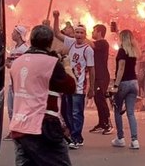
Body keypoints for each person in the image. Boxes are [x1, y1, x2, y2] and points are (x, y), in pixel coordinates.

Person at [9, 25, 76, 166]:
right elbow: (71, 87)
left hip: (20, 126)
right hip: (43, 126)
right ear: (50, 42)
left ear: (32, 40)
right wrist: (67, 65)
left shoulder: (17, 63)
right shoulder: (52, 63)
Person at [53, 11, 95, 149]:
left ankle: (77, 138)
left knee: (77, 112)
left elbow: (91, 69)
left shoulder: (88, 50)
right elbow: (57, 33)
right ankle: (72, 134)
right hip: (68, 84)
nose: (78, 35)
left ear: (85, 34)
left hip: (80, 85)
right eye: (77, 32)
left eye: (81, 33)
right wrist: (56, 18)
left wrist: (92, 88)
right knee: (67, 111)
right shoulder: (70, 43)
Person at [110, 29, 141, 150]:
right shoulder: (133, 51)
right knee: (131, 113)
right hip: (134, 82)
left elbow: (121, 69)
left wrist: (116, 85)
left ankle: (120, 137)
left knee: (117, 110)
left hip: (124, 83)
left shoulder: (122, 51)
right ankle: (135, 140)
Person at [5, 25, 30, 141]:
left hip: (20, 84)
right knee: (10, 108)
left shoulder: (25, 49)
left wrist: (12, 65)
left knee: (18, 108)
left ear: (19, 35)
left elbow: (25, 66)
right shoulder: (14, 49)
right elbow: (9, 62)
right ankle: (14, 130)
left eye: (14, 32)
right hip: (12, 82)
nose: (12, 34)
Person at [89, 23, 113, 135]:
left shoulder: (103, 43)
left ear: (99, 32)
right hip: (96, 75)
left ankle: (108, 123)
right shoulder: (96, 44)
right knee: (97, 99)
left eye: (93, 31)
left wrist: (81, 35)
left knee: (101, 99)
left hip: (102, 76)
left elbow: (92, 45)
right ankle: (101, 123)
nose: (91, 33)